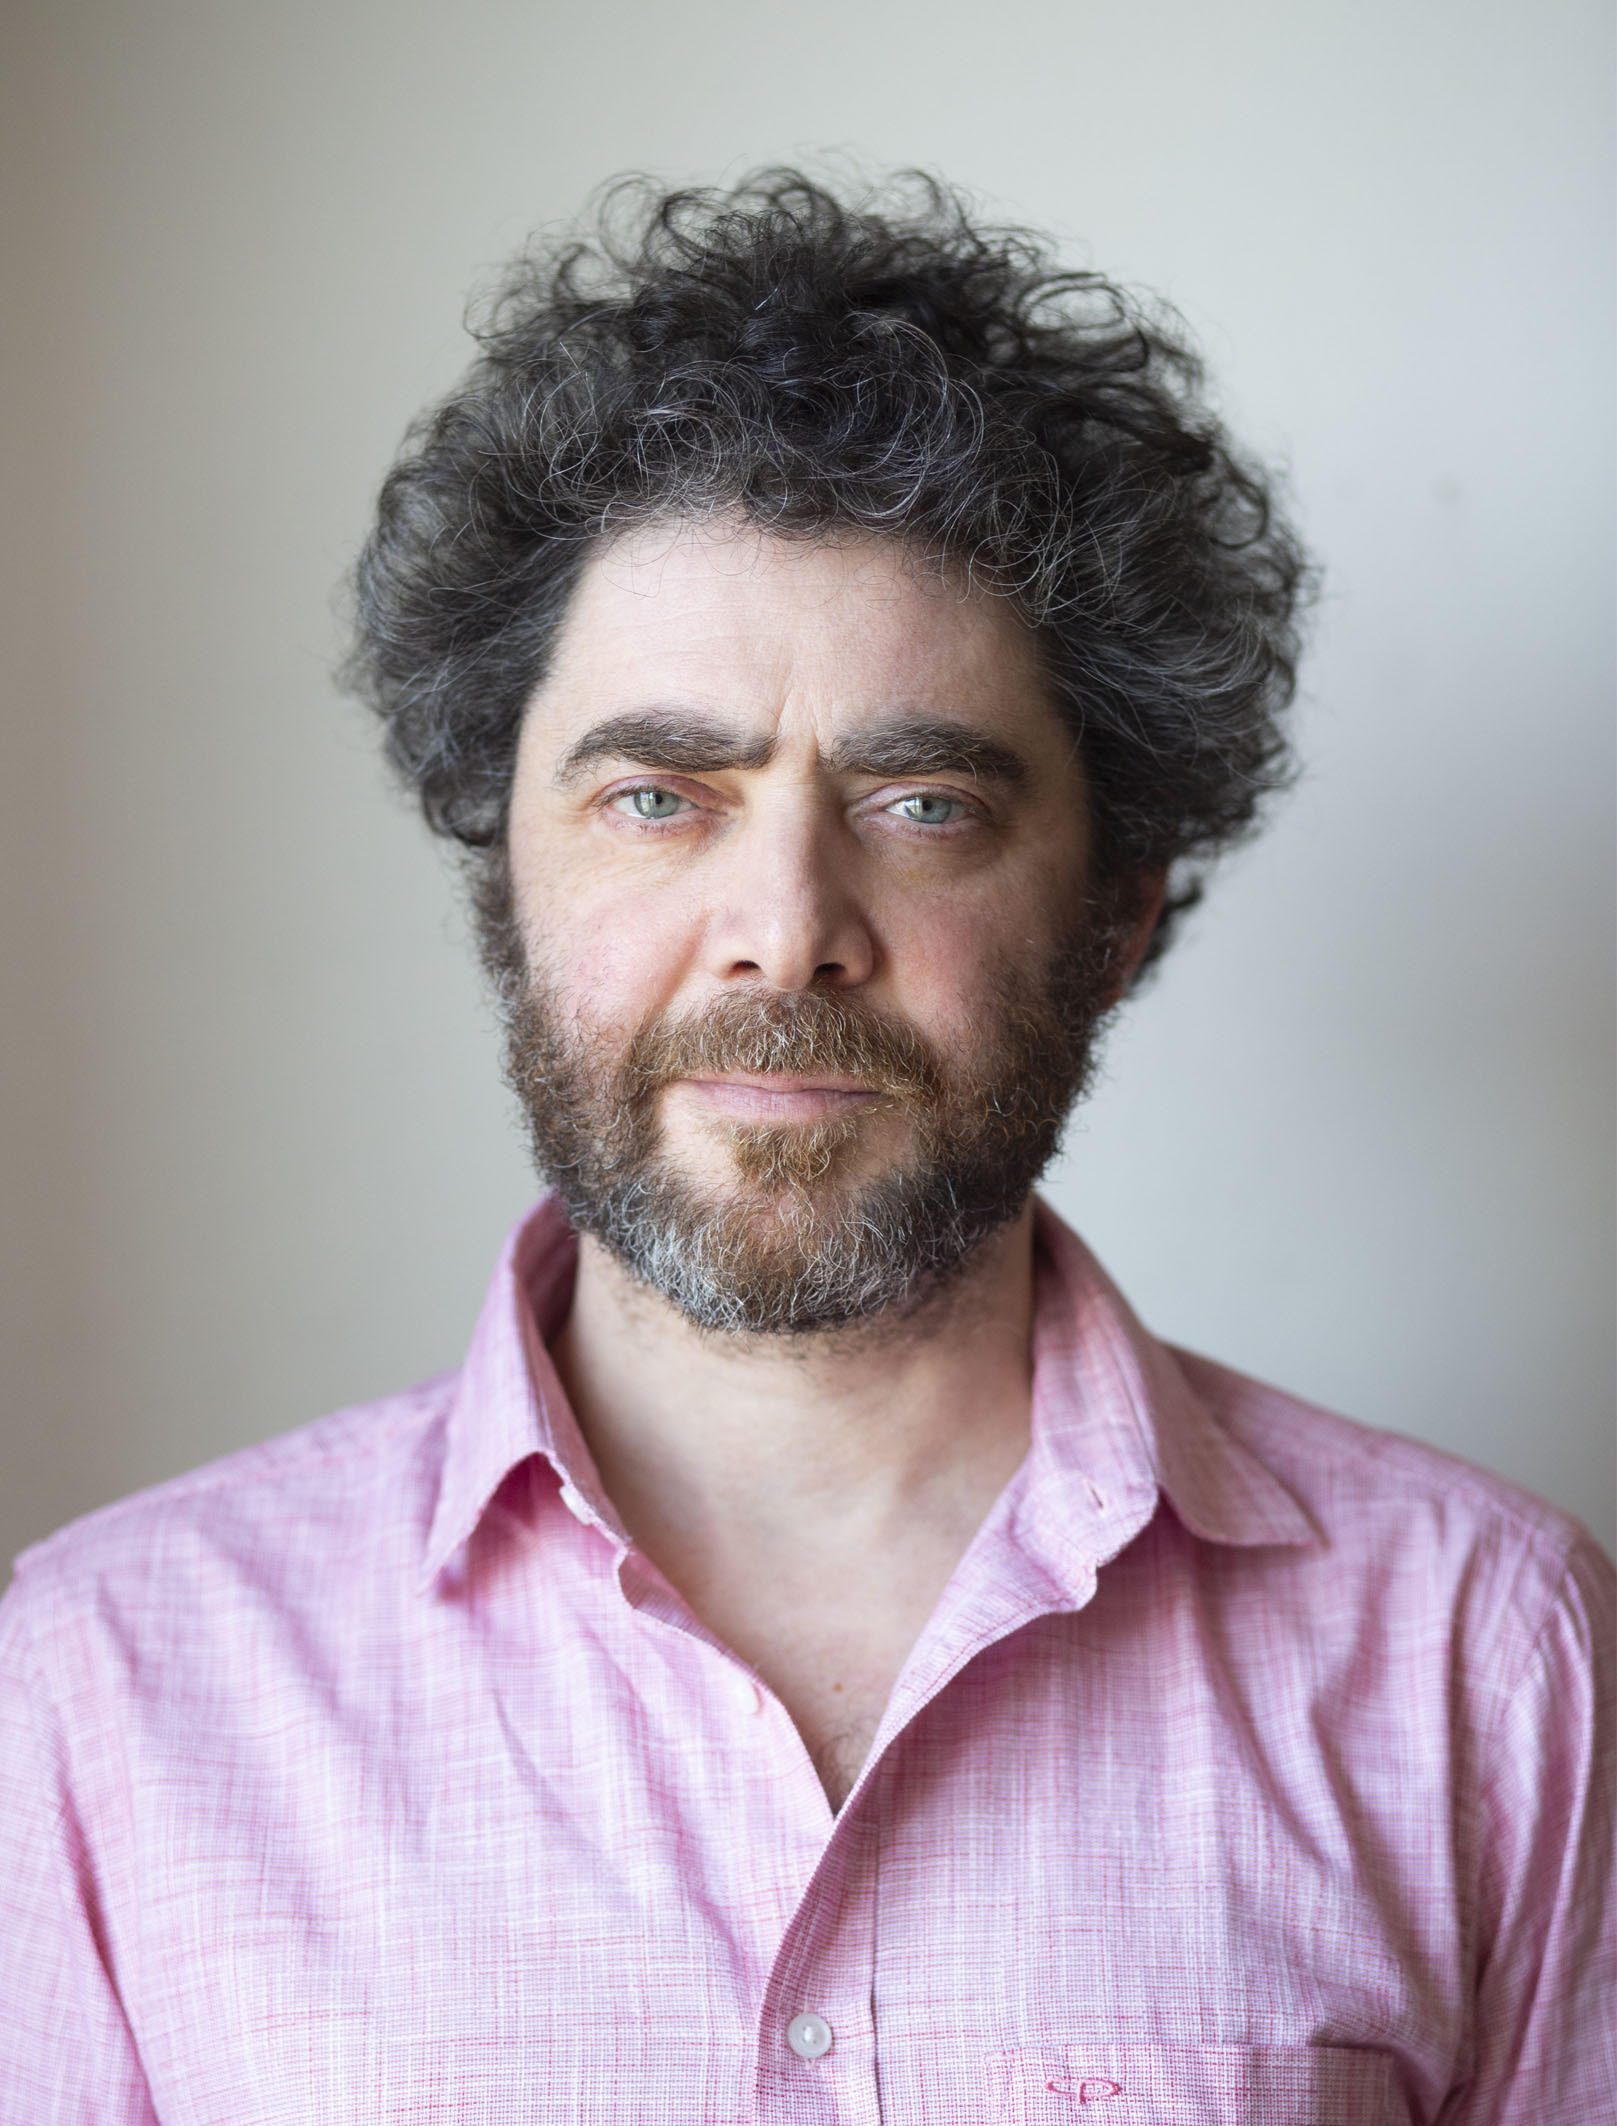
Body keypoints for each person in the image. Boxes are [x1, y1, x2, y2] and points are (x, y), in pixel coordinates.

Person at [1, 171, 1609, 2125]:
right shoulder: (99, 1689)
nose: (785, 928)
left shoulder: (1484, 1656)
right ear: (507, 885)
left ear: (1112, 912)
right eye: (658, 796)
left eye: (922, 803)